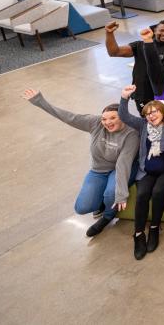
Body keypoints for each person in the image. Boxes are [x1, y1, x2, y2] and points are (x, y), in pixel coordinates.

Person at [22, 87, 137, 239]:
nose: (107, 122)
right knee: (82, 207)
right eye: (104, 119)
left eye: (113, 118)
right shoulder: (95, 123)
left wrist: (121, 194)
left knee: (111, 194)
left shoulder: (131, 133)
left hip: (120, 168)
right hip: (99, 170)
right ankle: (101, 202)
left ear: (122, 116)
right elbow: (69, 117)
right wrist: (39, 101)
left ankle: (107, 216)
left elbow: (123, 164)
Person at [117, 85, 164, 259]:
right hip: (147, 171)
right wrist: (124, 98)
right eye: (148, 113)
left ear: (162, 111)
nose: (151, 116)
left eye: (155, 112)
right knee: (142, 194)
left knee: (158, 192)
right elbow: (123, 116)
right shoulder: (143, 125)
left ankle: (154, 227)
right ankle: (138, 234)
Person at [104, 19, 164, 106]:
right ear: (154, 31)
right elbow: (114, 52)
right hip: (143, 93)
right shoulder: (140, 45)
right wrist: (109, 33)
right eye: (161, 30)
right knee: (148, 118)